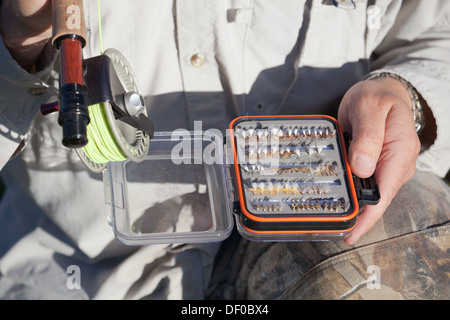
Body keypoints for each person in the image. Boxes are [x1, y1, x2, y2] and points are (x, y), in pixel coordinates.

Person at [0, 0, 448, 299]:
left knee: (404, 243)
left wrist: (406, 97)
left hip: (310, 239)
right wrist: (17, 37)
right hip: (90, 274)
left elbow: (436, 35)